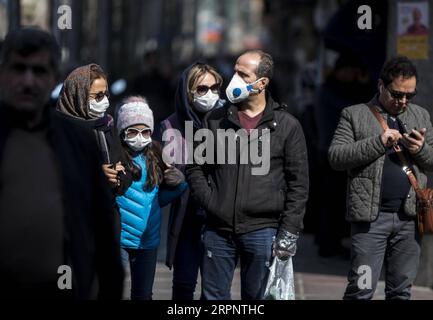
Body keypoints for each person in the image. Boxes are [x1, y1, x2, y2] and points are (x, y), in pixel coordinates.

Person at [0, 28, 123, 299]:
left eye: (39, 71)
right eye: (18, 69)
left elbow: (103, 234)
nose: (28, 81)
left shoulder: (76, 142)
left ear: (54, 78)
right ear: (3, 73)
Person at [186, 50, 309, 300]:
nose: (235, 79)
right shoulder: (216, 120)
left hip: (263, 232)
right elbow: (195, 167)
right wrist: (211, 202)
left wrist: (289, 231)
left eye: (243, 74)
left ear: (262, 83)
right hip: (218, 231)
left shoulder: (287, 126)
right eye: (235, 71)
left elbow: (298, 184)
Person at [328, 56, 433, 299]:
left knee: (401, 291)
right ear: (381, 86)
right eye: (397, 94)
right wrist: (378, 142)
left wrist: (420, 150)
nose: (403, 101)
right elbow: (336, 156)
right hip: (370, 221)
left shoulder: (420, 116)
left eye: (410, 95)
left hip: (409, 219)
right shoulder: (354, 115)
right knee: (361, 290)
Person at [159, 62, 225, 300]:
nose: (210, 94)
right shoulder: (171, 126)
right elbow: (165, 176)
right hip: (188, 217)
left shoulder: (227, 120)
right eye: (202, 89)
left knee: (215, 289)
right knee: (184, 285)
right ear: (188, 92)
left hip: (220, 219)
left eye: (215, 87)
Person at [115, 96, 187, 300]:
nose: (139, 136)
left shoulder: (157, 154)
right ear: (122, 131)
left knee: (143, 294)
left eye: (145, 131)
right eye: (132, 131)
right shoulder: (113, 156)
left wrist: (180, 184)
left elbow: (159, 196)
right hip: (120, 239)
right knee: (113, 288)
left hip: (148, 240)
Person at [57, 63, 130, 196]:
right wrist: (97, 175)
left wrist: (118, 177)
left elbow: (126, 170)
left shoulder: (107, 125)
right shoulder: (60, 132)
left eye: (106, 94)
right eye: (98, 96)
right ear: (79, 96)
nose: (106, 101)